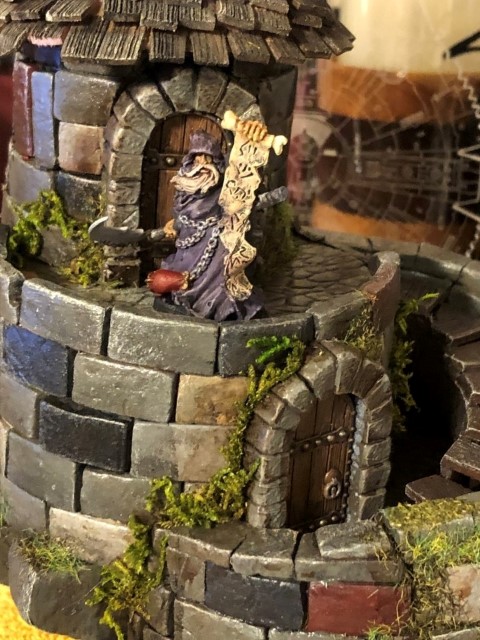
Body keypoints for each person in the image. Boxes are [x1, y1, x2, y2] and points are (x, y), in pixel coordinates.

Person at [151, 126, 266, 321]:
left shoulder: (222, 187)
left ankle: (217, 304)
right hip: (188, 247)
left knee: (222, 264)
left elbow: (240, 193)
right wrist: (174, 225)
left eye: (208, 159)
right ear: (191, 161)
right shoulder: (185, 187)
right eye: (198, 159)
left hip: (216, 239)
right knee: (182, 272)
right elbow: (181, 214)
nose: (203, 164)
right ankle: (185, 292)